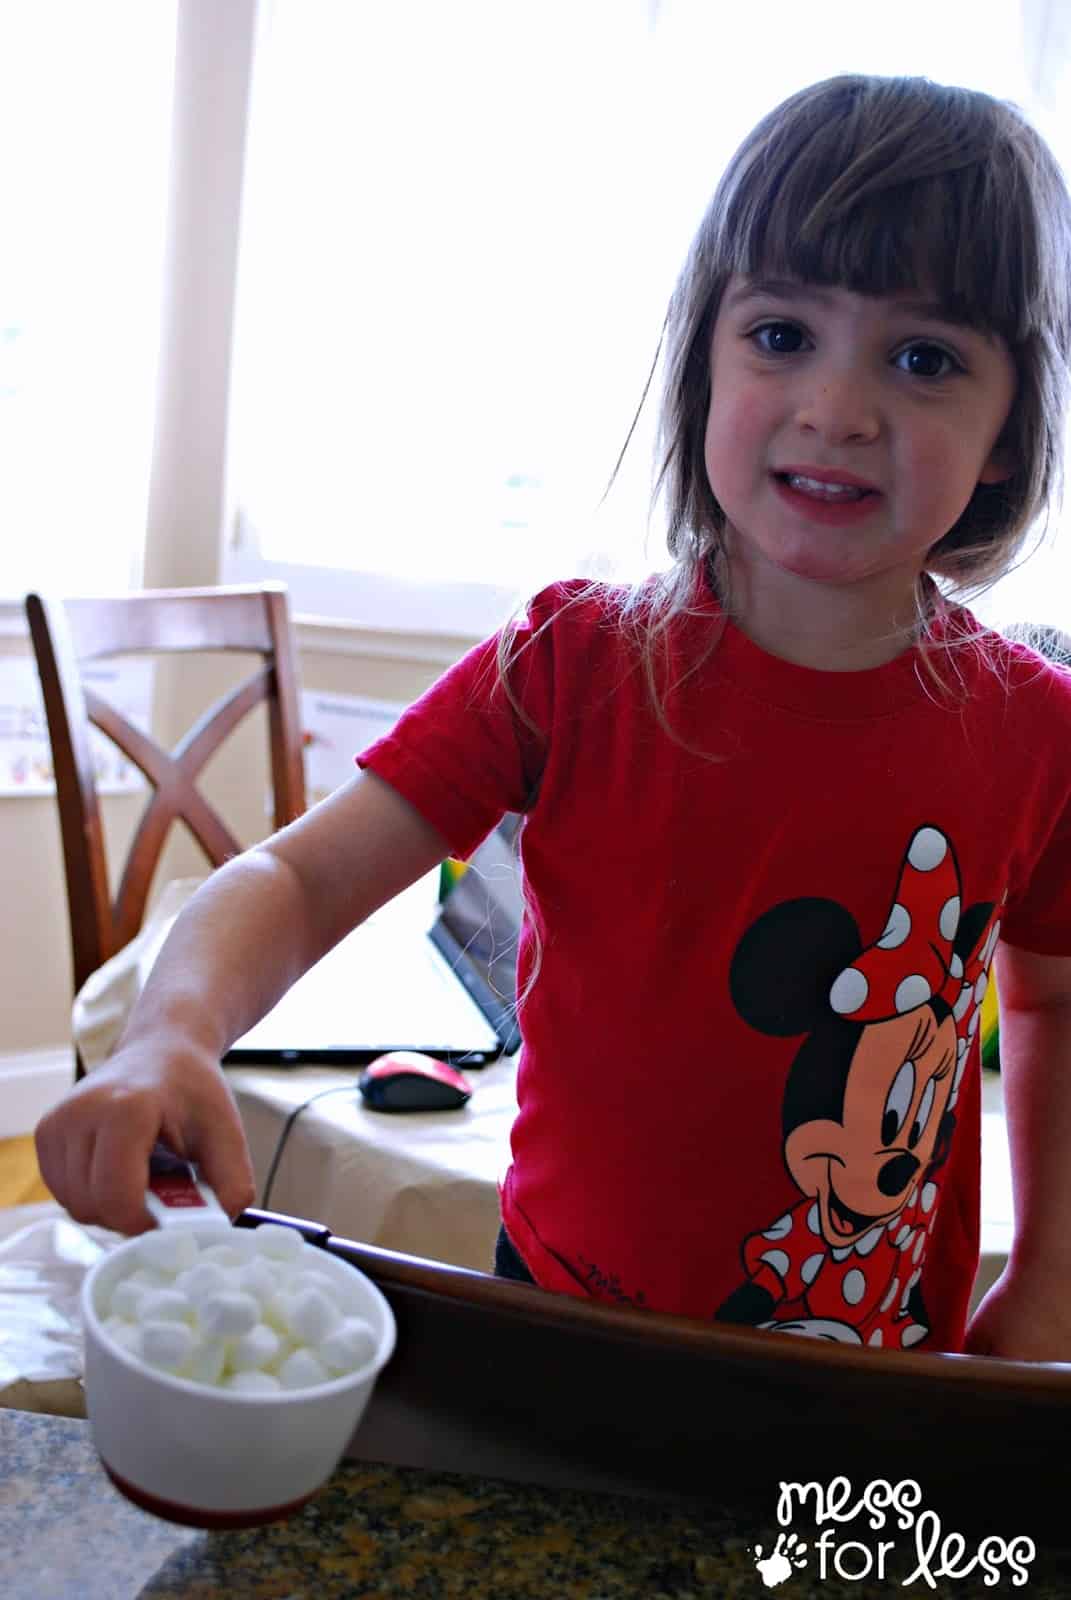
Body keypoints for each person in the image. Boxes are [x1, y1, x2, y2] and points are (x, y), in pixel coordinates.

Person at [36, 73, 1071, 1361]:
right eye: (782, 334)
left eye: (924, 359)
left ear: (1012, 432)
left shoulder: (1041, 732)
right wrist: (168, 1029)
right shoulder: (573, 662)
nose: (837, 409)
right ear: (703, 358)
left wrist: (1053, 1278)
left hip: (873, 1382)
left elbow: (1054, 1003)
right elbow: (299, 878)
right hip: (561, 1333)